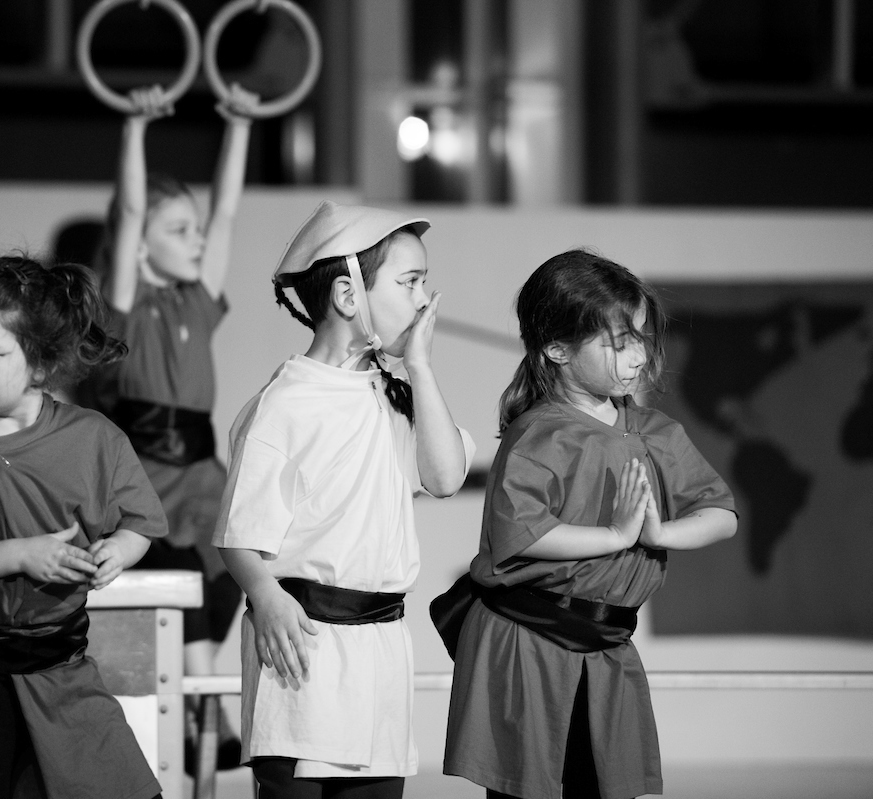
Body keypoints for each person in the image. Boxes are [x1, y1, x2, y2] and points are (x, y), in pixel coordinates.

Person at [443, 249, 738, 799]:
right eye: (619, 342)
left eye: (642, 338)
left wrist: (659, 534)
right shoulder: (539, 433)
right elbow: (522, 533)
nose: (638, 355)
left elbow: (720, 514)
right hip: (529, 642)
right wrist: (614, 537)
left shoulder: (655, 430)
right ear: (557, 349)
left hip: (605, 642)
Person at [214, 201, 476, 798]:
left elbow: (444, 477)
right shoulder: (285, 404)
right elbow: (238, 535)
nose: (423, 300)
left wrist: (420, 368)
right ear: (348, 294)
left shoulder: (396, 393)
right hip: (303, 652)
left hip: (379, 654)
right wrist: (264, 596)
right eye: (410, 282)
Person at [0, 252, 169, 799]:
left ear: (41, 364)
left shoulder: (95, 438)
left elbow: (141, 522)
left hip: (63, 672)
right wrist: (24, 554)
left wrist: (119, 549)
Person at [96, 83, 258, 767]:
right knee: (178, 572)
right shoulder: (125, 307)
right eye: (178, 231)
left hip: (202, 473)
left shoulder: (199, 299)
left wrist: (240, 125)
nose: (196, 240)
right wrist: (134, 128)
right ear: (138, 248)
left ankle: (202, 706)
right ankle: (207, 715)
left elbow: (226, 214)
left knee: (233, 572)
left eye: (194, 230)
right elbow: (132, 208)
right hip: (148, 474)